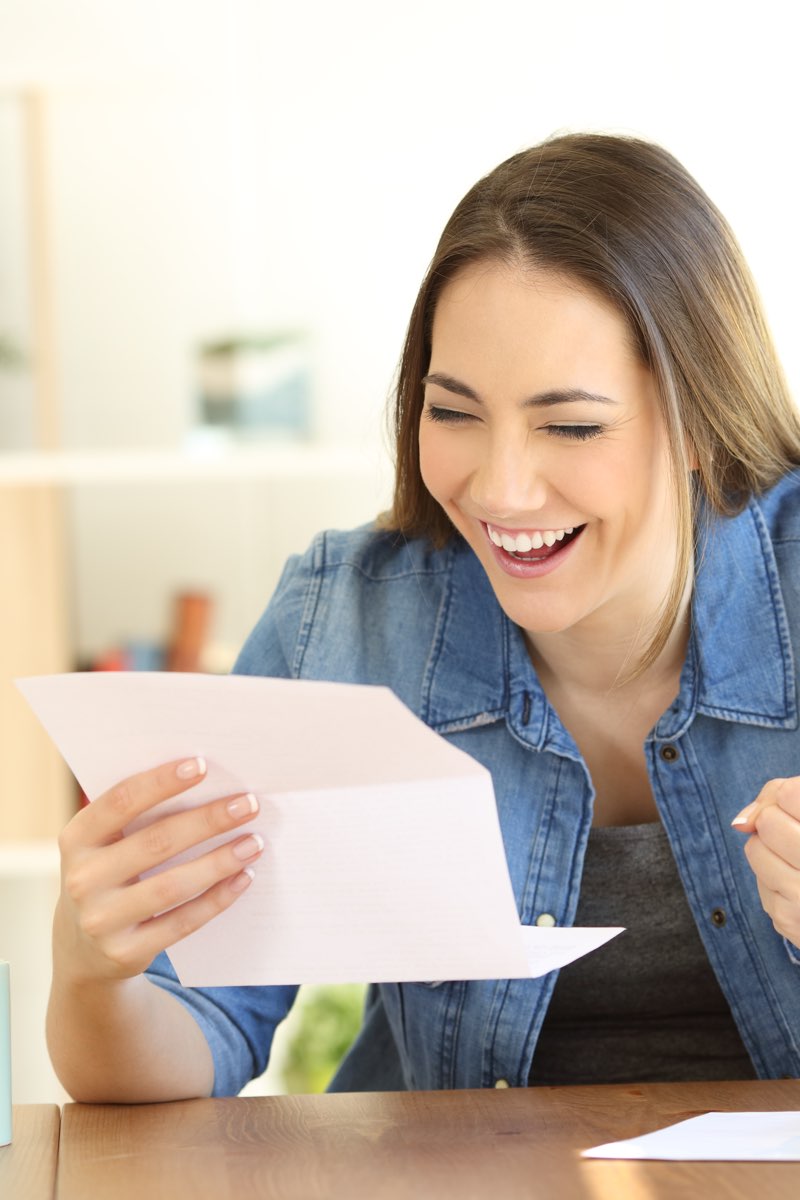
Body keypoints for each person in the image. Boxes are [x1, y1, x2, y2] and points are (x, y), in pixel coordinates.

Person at [47, 133, 800, 1102]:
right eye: (452, 413)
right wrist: (92, 973)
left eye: (569, 425)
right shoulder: (344, 622)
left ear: (701, 419)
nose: (501, 486)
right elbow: (194, 1036)